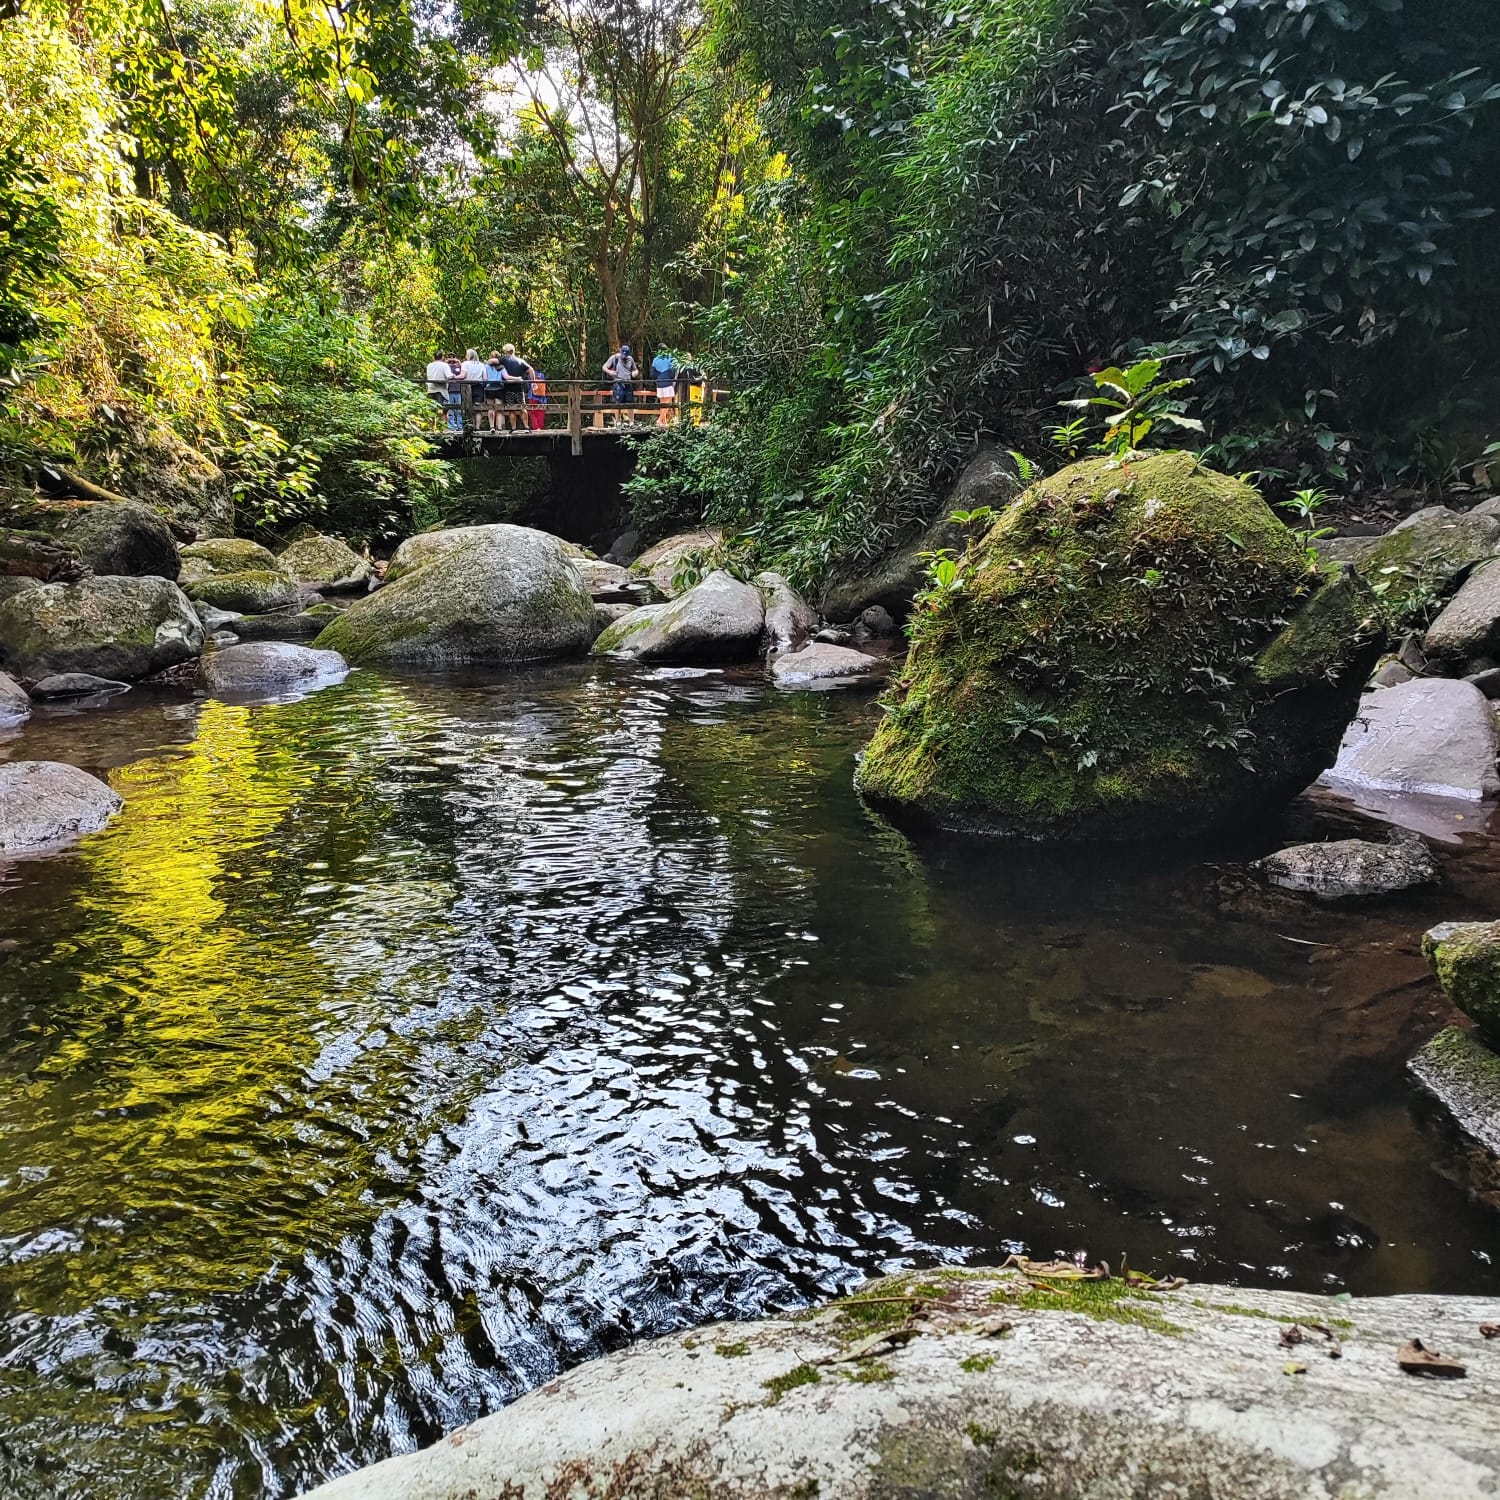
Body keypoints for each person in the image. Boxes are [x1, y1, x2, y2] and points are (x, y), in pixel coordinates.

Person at [498, 343, 535, 430]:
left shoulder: (503, 360)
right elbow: (531, 369)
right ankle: (526, 426)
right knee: (522, 407)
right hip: (519, 387)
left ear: (506, 351)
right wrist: (533, 382)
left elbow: (494, 364)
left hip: (508, 388)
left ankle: (513, 428)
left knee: (511, 409)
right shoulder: (520, 361)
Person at [603, 343, 638, 418]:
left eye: (625, 354)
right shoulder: (614, 358)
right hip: (618, 383)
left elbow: (635, 370)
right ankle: (618, 421)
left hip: (628, 383)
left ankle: (631, 421)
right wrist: (610, 372)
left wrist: (634, 373)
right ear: (620, 351)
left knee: (630, 404)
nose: (623, 356)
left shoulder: (630, 359)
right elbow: (604, 367)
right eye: (622, 353)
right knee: (618, 403)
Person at [650, 348, 678, 426]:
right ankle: (659, 420)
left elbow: (652, 373)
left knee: (662, 402)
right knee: (668, 402)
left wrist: (658, 378)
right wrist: (670, 378)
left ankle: (664, 421)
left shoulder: (655, 359)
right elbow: (673, 370)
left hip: (659, 383)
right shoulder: (669, 358)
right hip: (667, 382)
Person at [482, 351, 508, 431]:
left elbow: (485, 378)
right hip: (499, 388)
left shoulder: (486, 366)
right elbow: (505, 376)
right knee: (499, 408)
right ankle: (499, 427)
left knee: (490, 408)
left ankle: (492, 427)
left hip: (489, 388)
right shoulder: (502, 367)